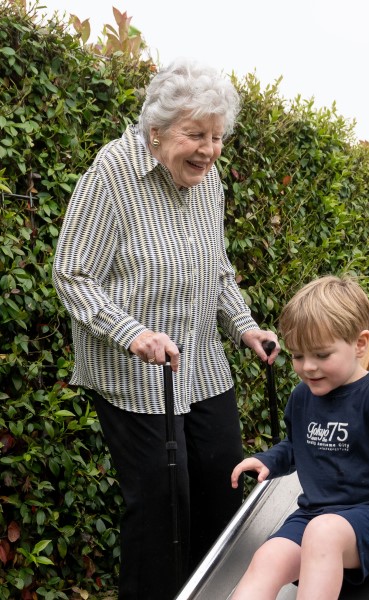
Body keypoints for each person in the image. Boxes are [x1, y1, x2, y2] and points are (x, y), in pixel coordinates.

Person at [52, 58, 279, 599]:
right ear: (155, 131)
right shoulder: (112, 175)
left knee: (225, 483)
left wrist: (244, 325)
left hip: (200, 365)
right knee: (160, 508)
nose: (208, 149)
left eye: (217, 136)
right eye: (195, 134)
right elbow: (73, 273)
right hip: (135, 377)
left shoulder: (208, 179)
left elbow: (215, 264)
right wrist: (133, 333)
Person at [229, 276, 369, 599]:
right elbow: (297, 443)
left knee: (323, 532)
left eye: (321, 355)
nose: (308, 367)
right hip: (315, 514)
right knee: (268, 557)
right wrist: (268, 460)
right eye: (298, 356)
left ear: (360, 343)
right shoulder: (303, 397)